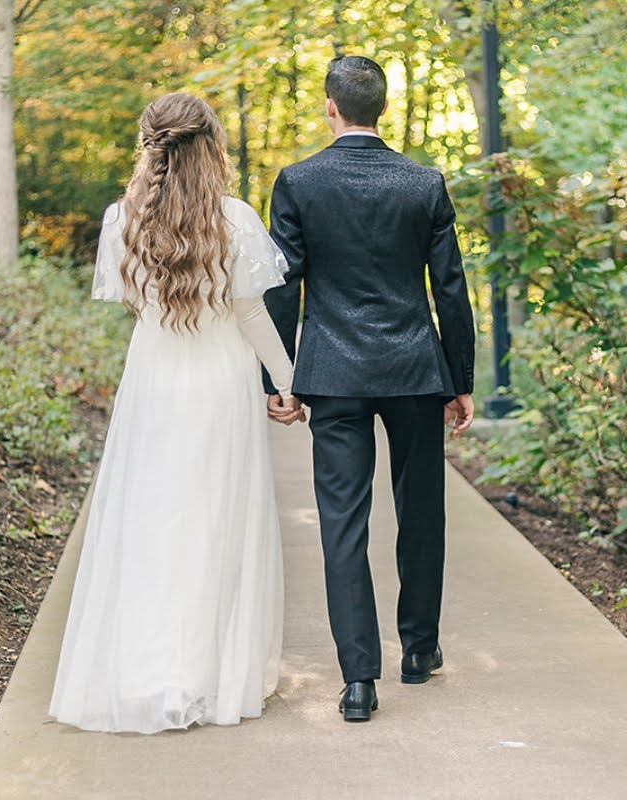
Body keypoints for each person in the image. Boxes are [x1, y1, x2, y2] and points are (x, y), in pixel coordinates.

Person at [49, 93, 304, 734]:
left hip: (155, 380)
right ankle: (209, 670)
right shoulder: (236, 219)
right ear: (212, 147)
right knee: (218, 523)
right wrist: (289, 383)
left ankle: (152, 668)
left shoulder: (121, 221)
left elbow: (133, 304)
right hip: (219, 384)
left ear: (150, 147)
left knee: (154, 520)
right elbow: (250, 314)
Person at [263, 55, 477, 722]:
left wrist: (278, 376)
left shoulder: (298, 182)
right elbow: (450, 287)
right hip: (414, 369)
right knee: (420, 513)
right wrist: (460, 377)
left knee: (342, 524)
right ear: (381, 107)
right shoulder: (423, 182)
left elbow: (280, 285)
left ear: (332, 106)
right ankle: (419, 650)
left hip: (333, 373)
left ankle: (359, 680)